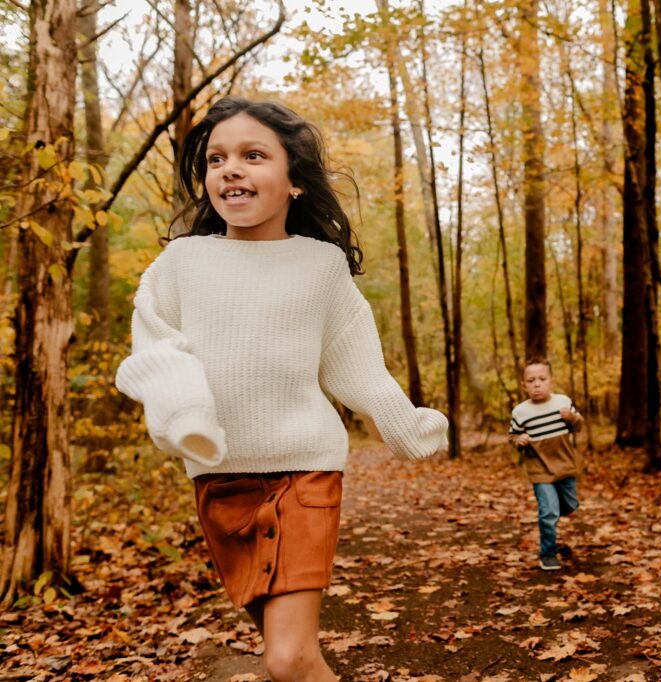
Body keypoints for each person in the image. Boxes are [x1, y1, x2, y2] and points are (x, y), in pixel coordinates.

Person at [115, 97, 448, 682]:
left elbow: (356, 364)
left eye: (252, 155)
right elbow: (156, 349)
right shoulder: (182, 263)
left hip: (305, 471)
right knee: (288, 654)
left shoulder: (321, 266)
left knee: (289, 659)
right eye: (216, 159)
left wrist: (402, 424)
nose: (230, 169)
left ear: (295, 180)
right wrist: (189, 415)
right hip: (219, 480)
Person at [508, 357, 584, 571]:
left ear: (551, 381)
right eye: (531, 380)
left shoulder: (563, 402)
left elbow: (578, 425)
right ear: (524, 385)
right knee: (548, 512)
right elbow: (512, 436)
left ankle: (552, 520)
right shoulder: (520, 412)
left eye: (542, 379)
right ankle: (548, 553)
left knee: (570, 507)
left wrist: (570, 417)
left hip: (565, 465)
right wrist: (519, 440)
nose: (537, 384)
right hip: (539, 468)